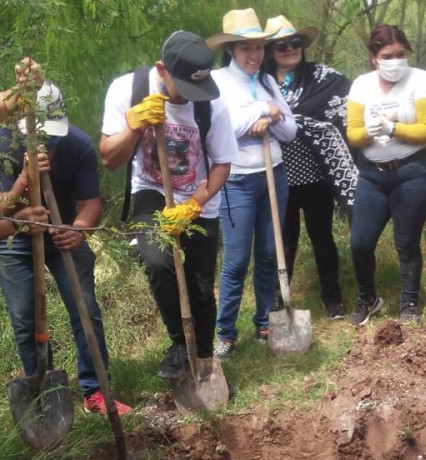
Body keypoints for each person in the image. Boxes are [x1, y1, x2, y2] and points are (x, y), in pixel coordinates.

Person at [100, 31, 237, 379]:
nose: (192, 98)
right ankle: (179, 343)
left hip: (199, 196)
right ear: (163, 69)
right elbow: (108, 159)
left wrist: (194, 204)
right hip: (150, 189)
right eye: (184, 89)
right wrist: (135, 125)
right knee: (159, 262)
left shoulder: (212, 103)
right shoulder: (127, 90)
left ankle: (204, 362)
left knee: (201, 289)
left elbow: (222, 164)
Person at [0, 78, 132, 415]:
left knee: (85, 306)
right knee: (25, 315)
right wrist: (22, 191)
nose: (50, 146)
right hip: (13, 236)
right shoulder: (3, 144)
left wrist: (79, 230)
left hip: (61, 230)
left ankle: (96, 391)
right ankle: (44, 395)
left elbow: (90, 203)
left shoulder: (77, 145)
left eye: (53, 138)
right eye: (43, 140)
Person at [205, 9, 297, 358]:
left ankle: (263, 321)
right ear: (230, 49)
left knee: (270, 253)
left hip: (275, 174)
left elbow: (290, 130)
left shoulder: (269, 80)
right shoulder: (217, 82)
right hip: (238, 180)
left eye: (258, 47)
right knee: (236, 259)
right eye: (245, 48)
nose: (254, 55)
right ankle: (225, 333)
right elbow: (225, 130)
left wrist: (271, 115)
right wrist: (266, 110)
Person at [346, 23, 426, 325]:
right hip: (372, 174)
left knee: (406, 242)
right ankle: (368, 299)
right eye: (388, 55)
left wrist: (393, 128)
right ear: (375, 57)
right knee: (360, 242)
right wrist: (369, 133)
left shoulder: (420, 80)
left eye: (401, 54)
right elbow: (353, 135)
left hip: (412, 171)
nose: (396, 60)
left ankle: (409, 305)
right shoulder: (362, 85)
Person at [263, 14, 355, 321]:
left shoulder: (322, 77)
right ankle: (278, 302)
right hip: (279, 176)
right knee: (283, 241)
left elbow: (350, 100)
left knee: (322, 236)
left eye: (295, 42)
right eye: (281, 45)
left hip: (316, 175)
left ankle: (333, 299)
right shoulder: (260, 84)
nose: (290, 48)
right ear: (269, 51)